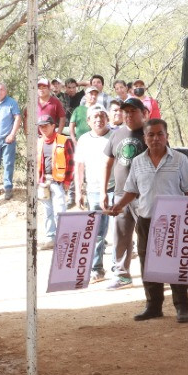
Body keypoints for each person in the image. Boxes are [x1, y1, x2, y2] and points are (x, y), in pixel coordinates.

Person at [108, 118, 188, 323]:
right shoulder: (138, 161)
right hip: (146, 220)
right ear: (145, 138)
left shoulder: (179, 160)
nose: (155, 138)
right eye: (151, 135)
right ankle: (153, 306)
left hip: (174, 223)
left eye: (160, 134)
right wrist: (119, 205)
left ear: (167, 136)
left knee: (175, 265)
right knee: (148, 264)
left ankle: (182, 307)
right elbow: (131, 190)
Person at [102, 99, 149, 289]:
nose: (128, 115)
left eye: (132, 111)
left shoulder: (151, 132)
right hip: (120, 194)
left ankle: (152, 274)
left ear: (142, 112)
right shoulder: (116, 134)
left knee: (147, 235)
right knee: (121, 235)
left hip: (143, 194)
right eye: (125, 112)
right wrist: (104, 191)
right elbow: (107, 163)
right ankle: (122, 274)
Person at [78, 106, 115, 279]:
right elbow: (79, 166)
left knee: (119, 231)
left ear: (107, 118)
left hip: (115, 188)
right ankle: (96, 269)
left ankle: (118, 267)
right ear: (88, 121)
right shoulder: (84, 139)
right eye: (95, 117)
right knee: (97, 232)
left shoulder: (115, 135)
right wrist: (79, 191)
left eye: (102, 116)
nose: (99, 119)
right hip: (92, 190)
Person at [36, 118, 74, 246]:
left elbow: (71, 162)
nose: (43, 129)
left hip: (58, 182)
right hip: (43, 182)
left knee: (60, 211)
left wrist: (68, 181)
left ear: (53, 125)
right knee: (47, 212)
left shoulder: (63, 141)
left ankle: (63, 238)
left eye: (46, 126)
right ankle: (50, 238)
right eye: (41, 127)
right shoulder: (39, 142)